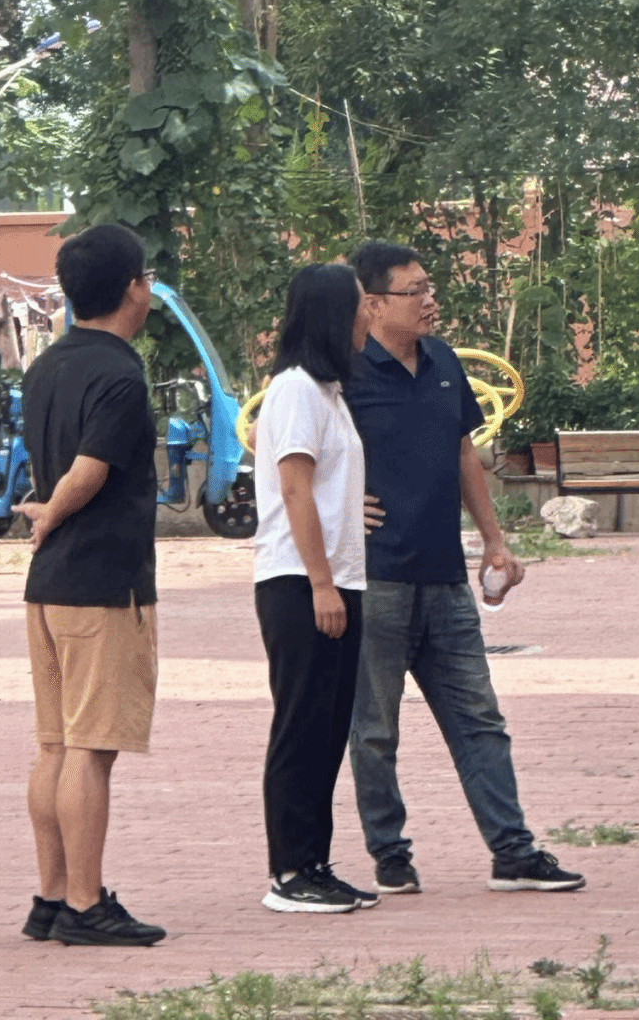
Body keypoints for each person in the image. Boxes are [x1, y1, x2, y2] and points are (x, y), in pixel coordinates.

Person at [344, 241, 585, 896]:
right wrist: (335, 503)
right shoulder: (344, 373)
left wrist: (493, 541)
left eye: (430, 287)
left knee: (480, 719)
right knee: (375, 730)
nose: (430, 300)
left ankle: (513, 851)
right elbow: (286, 450)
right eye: (414, 291)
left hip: (445, 578)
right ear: (373, 304)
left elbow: (463, 458)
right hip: (376, 580)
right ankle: (389, 853)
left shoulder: (445, 362)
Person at [13, 224, 165, 947]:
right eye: (146, 276)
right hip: (103, 582)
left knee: (55, 745)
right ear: (133, 287)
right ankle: (84, 903)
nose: (149, 287)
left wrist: (49, 517)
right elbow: (91, 468)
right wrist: (53, 511)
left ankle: (49, 898)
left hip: (49, 585)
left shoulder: (47, 366)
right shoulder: (121, 374)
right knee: (90, 748)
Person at [253, 263, 377, 915]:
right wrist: (322, 583)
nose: (369, 315)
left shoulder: (328, 392)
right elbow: (295, 489)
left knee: (328, 730)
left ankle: (315, 862)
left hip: (337, 580)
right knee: (301, 725)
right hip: (300, 582)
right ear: (332, 314)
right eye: (361, 305)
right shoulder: (296, 389)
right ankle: (289, 870)